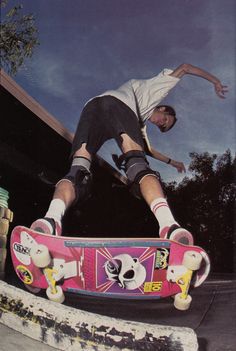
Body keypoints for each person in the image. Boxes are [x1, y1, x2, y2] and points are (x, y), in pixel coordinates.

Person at [31, 63, 228, 244]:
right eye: (165, 120)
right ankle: (169, 226)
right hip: (118, 106)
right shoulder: (155, 92)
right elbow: (185, 68)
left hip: (92, 108)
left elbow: (148, 149)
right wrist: (215, 81)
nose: (161, 124)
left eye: (163, 128)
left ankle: (51, 220)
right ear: (163, 109)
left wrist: (172, 162)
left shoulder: (139, 124)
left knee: (78, 171)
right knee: (138, 168)